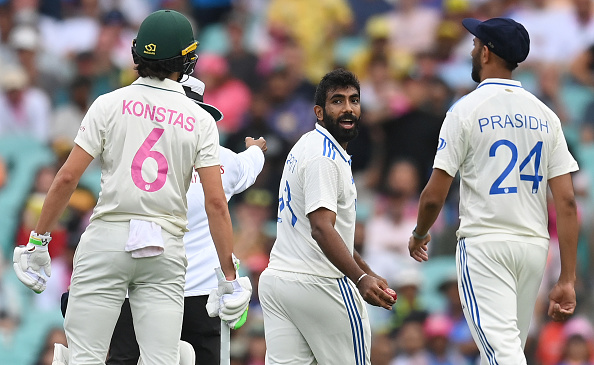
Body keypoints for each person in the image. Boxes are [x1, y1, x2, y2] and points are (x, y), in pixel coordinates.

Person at [13, 10, 247, 365]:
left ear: (137, 54)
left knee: (84, 357)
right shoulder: (200, 118)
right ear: (185, 61)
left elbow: (65, 178)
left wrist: (38, 241)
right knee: (162, 359)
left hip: (108, 237)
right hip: (165, 247)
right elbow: (216, 202)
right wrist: (229, 277)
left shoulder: (108, 103)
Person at [408, 17, 580, 365]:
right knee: (503, 351)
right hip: (532, 247)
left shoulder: (465, 109)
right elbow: (567, 201)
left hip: (485, 244)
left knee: (501, 353)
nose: (472, 49)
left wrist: (419, 233)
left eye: (474, 45)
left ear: (486, 53)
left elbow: (434, 194)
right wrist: (567, 277)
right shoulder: (546, 115)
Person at [105, 76, 267, 365]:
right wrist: (256, 148)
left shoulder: (136, 157)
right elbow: (251, 164)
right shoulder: (223, 160)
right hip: (200, 295)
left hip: (142, 289)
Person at [258, 68, 396, 364]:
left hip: (280, 282)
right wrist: (360, 278)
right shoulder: (325, 157)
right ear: (319, 111)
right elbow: (321, 229)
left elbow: (333, 232)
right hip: (320, 283)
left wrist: (366, 269)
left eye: (354, 100)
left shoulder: (309, 144)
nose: (348, 108)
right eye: (337, 101)